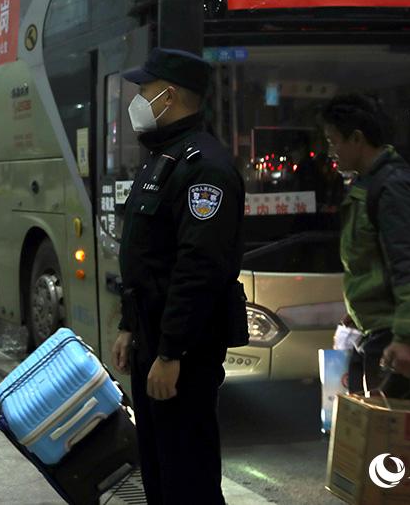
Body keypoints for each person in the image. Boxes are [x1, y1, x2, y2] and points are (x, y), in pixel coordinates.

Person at [111, 48, 245, 505]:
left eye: (145, 90)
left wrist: (172, 352)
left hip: (184, 351)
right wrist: (130, 325)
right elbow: (146, 256)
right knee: (159, 469)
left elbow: (198, 268)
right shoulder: (162, 157)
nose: (138, 100)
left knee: (188, 476)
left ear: (168, 96)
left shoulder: (204, 166)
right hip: (152, 338)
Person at [320, 94, 410, 400]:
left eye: (333, 142)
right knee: (364, 422)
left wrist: (407, 339)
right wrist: (358, 312)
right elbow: (371, 262)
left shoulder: (394, 188)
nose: (330, 152)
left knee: (387, 427)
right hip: (373, 333)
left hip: (391, 338)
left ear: (357, 139)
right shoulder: (368, 184)